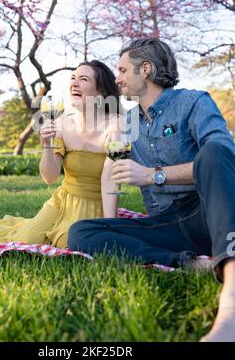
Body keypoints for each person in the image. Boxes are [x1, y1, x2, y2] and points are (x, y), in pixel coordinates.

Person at [68, 38, 235, 342]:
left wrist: (153, 176)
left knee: (213, 152)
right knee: (81, 233)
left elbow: (222, 156)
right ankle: (192, 264)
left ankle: (231, 304)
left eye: (121, 69)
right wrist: (113, 219)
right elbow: (111, 168)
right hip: (170, 224)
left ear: (145, 69)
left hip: (210, 211)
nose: (116, 78)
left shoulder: (194, 102)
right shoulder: (128, 122)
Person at [0, 61, 121, 255]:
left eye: (83, 79)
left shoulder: (120, 126)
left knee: (70, 244)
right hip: (62, 199)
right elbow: (49, 178)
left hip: (96, 204)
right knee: (27, 238)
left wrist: (111, 225)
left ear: (101, 90)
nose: (74, 83)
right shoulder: (60, 123)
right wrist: (47, 144)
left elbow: (112, 180)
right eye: (73, 78)